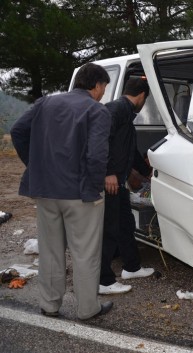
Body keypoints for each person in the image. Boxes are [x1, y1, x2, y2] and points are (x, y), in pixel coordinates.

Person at [10, 63, 114, 319]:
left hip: (45, 190)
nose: (103, 94)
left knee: (50, 251)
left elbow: (18, 131)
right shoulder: (96, 111)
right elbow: (97, 155)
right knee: (85, 252)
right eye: (103, 88)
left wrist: (35, 166)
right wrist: (93, 187)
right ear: (97, 85)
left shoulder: (45, 103)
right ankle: (88, 309)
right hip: (80, 194)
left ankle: (50, 304)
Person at [99, 77, 155, 294]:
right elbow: (100, 140)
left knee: (125, 224)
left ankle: (131, 267)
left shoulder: (126, 114)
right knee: (109, 230)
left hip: (118, 183)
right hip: (108, 181)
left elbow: (129, 152)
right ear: (142, 96)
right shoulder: (116, 109)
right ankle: (103, 281)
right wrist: (109, 172)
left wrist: (147, 172)